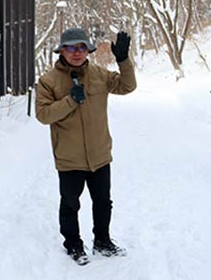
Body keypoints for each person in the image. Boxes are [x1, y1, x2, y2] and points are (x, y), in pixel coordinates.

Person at [36, 28, 137, 266]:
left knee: (103, 202)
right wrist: (71, 100)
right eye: (71, 47)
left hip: (100, 154)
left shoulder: (99, 74)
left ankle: (102, 240)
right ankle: (73, 243)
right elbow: (43, 115)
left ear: (88, 50)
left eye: (81, 47)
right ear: (61, 50)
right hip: (69, 158)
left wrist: (123, 61)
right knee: (70, 203)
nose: (76, 52)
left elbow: (126, 86)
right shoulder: (49, 81)